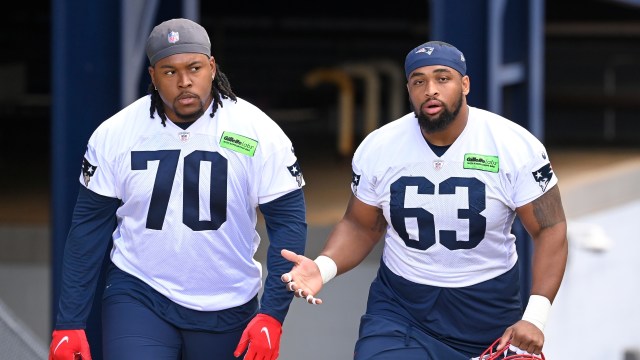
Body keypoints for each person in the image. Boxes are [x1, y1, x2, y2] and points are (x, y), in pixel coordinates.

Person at [280, 40, 568, 359]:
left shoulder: (513, 145)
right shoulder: (380, 146)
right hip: (402, 307)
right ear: (409, 89)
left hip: (487, 309)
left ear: (465, 84)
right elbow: (361, 226)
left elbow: (550, 228)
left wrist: (535, 317)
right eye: (419, 81)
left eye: (442, 78)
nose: (430, 89)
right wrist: (323, 267)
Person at [49, 18, 307, 360]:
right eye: (169, 72)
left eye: (194, 68)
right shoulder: (116, 133)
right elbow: (87, 230)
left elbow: (288, 223)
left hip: (227, 299)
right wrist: (69, 322)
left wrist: (272, 315)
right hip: (140, 290)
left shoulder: (257, 131)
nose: (185, 81)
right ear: (153, 76)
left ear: (212, 68)